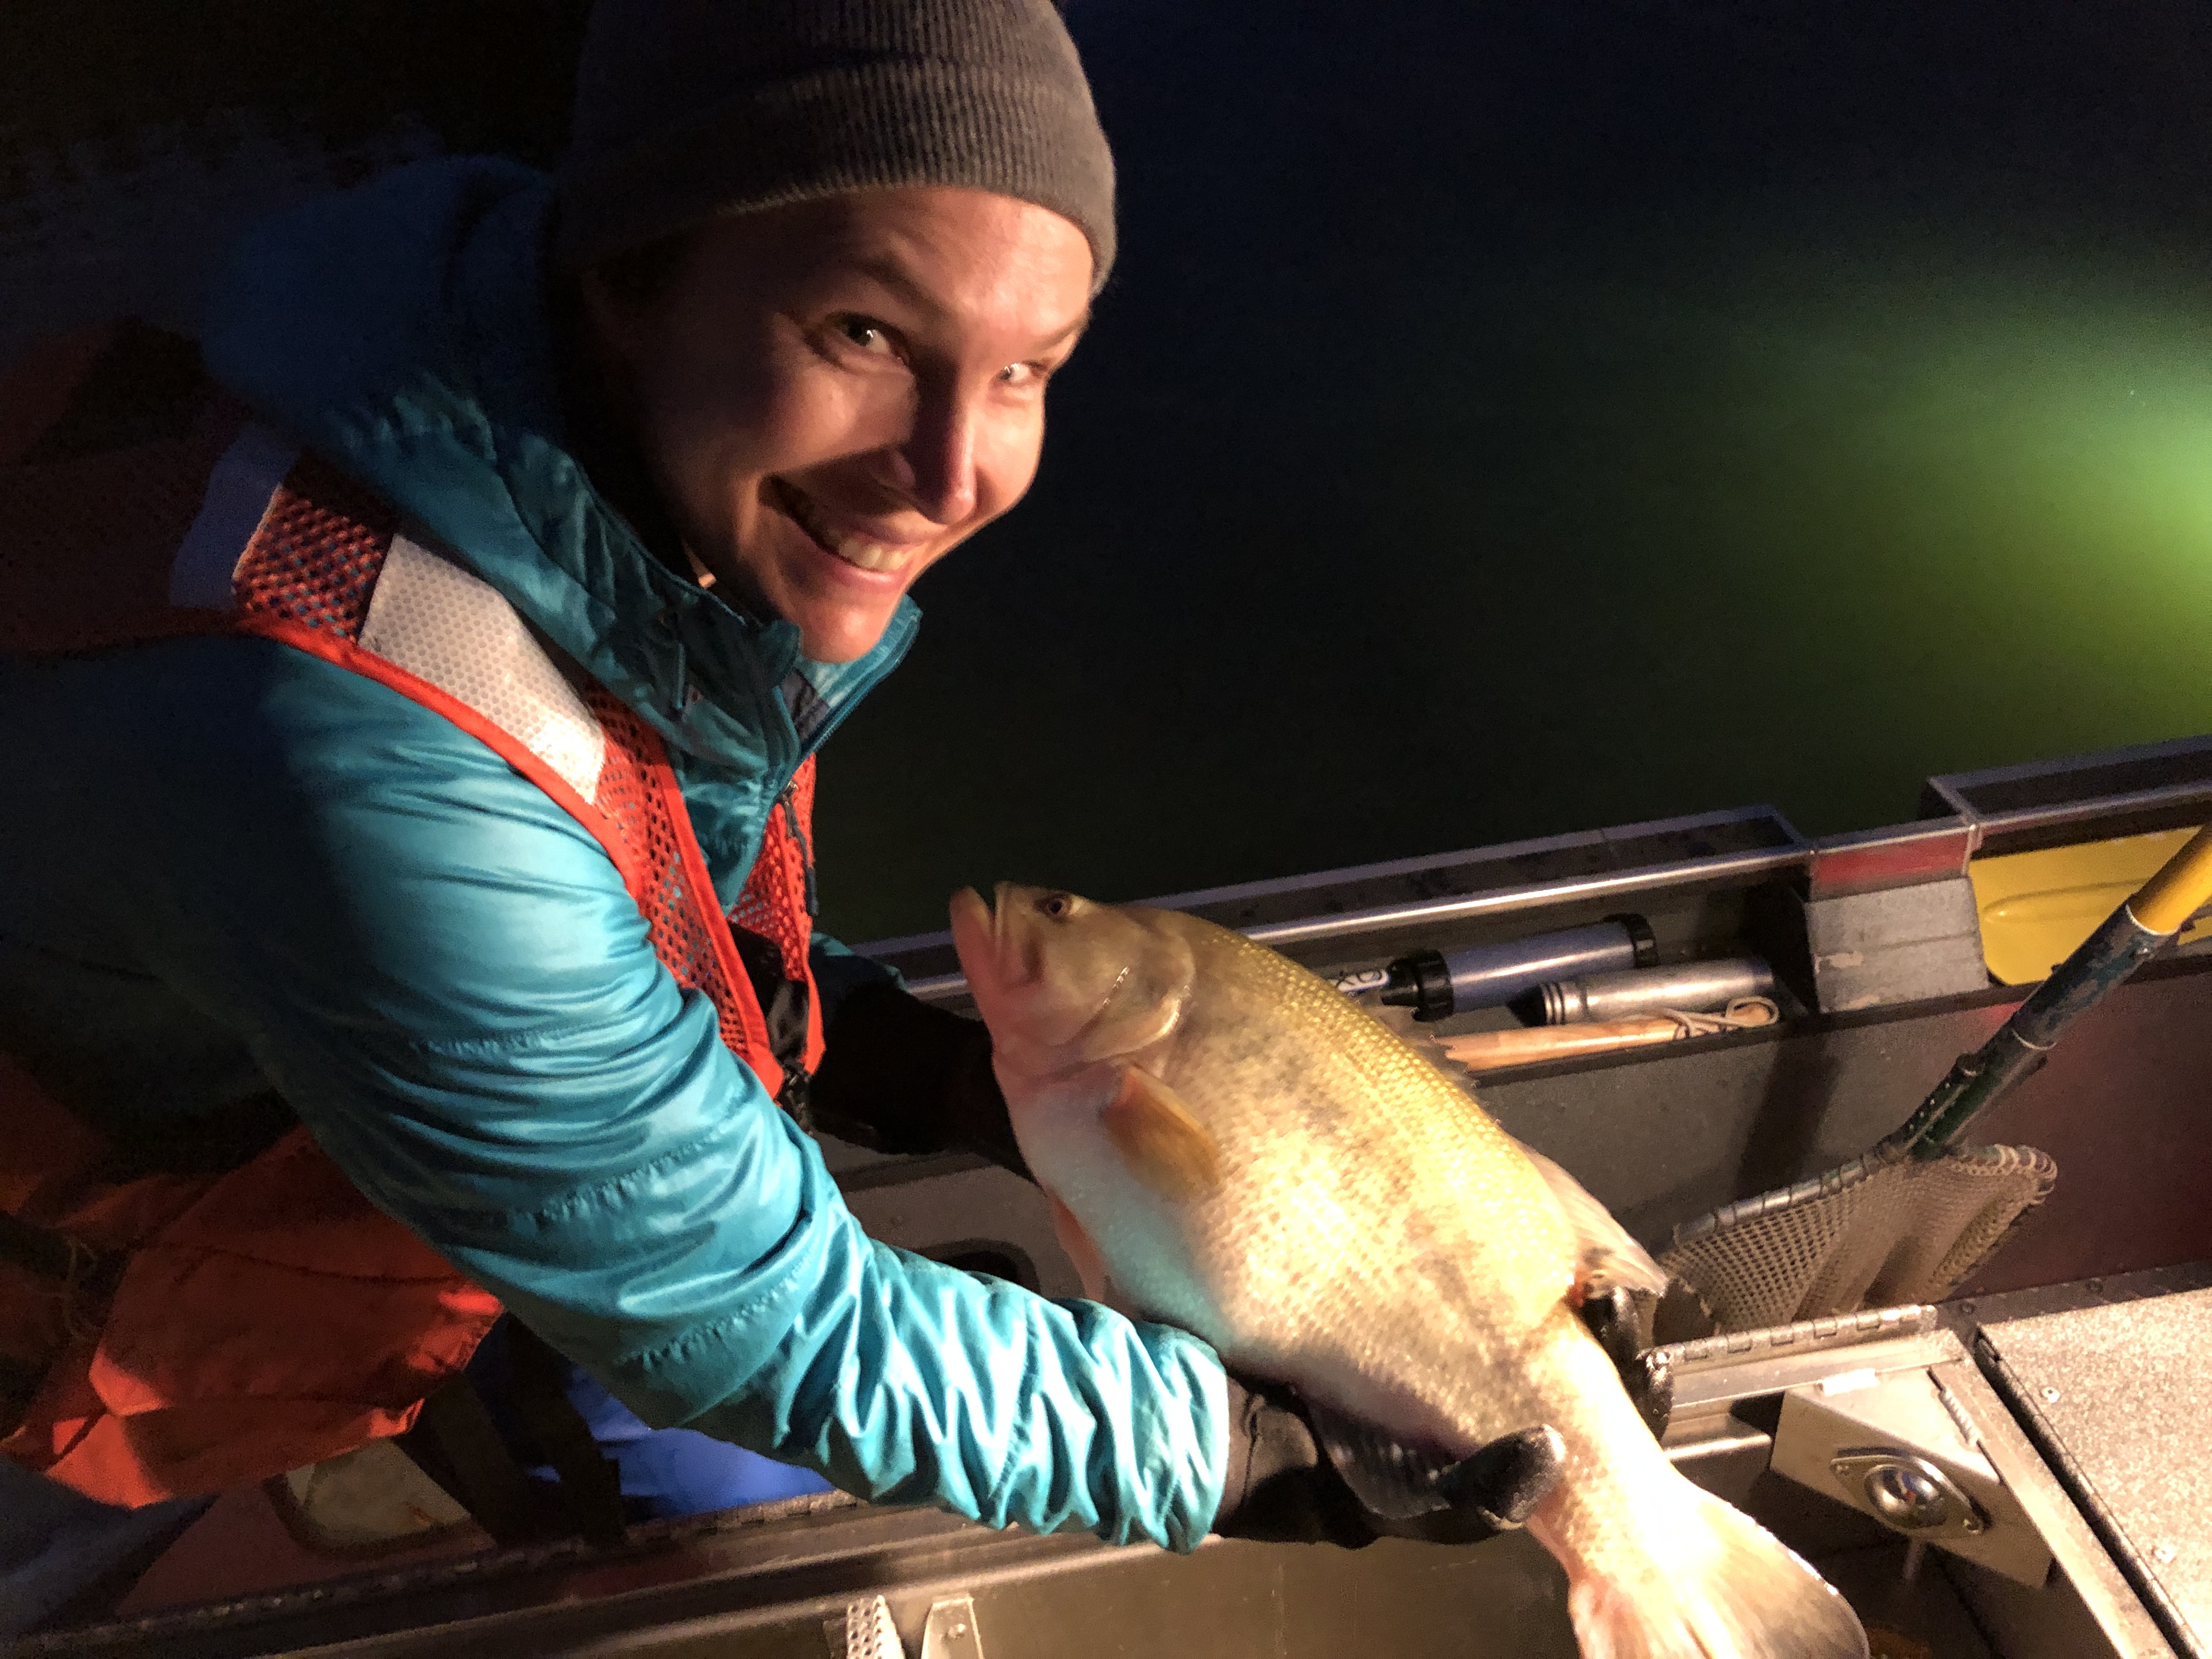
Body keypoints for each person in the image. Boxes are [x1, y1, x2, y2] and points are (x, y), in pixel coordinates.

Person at [0, 0, 1663, 1581]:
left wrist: (895, 1057)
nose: (951, 472)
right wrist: (1227, 1455)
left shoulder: (534, 467)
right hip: (84, 1269)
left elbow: (607, 851)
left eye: (1026, 369)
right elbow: (757, 1317)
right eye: (863, 333)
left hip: (344, 1110)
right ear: (626, 279)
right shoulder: (345, 750)